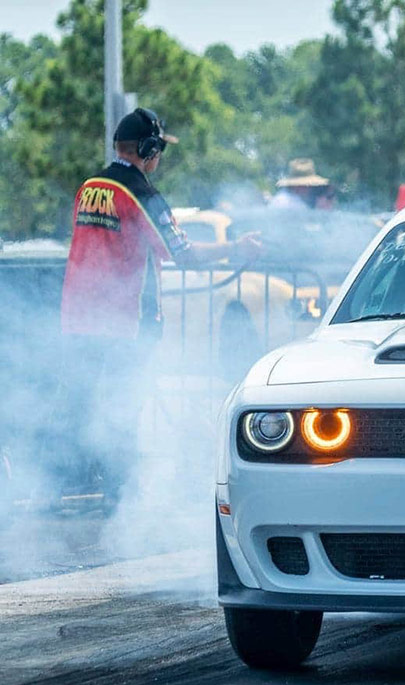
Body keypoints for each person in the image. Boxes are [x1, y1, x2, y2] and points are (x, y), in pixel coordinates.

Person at [53, 107, 261, 503]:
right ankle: (119, 493)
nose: (160, 158)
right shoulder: (141, 193)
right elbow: (182, 253)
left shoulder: (89, 187)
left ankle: (67, 482)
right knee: (122, 405)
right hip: (124, 324)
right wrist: (236, 248)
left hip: (79, 318)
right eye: (159, 149)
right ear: (147, 149)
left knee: (81, 403)